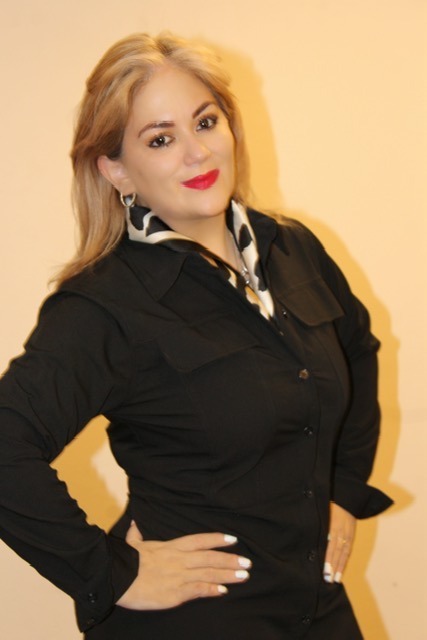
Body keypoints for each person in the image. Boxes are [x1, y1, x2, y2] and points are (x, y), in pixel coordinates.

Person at [0, 32, 392, 639]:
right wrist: (111, 573)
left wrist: (345, 487)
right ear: (115, 169)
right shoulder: (105, 304)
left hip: (317, 607)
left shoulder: (293, 248)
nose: (197, 152)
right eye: (160, 139)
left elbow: (358, 351)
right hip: (197, 621)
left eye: (205, 122)